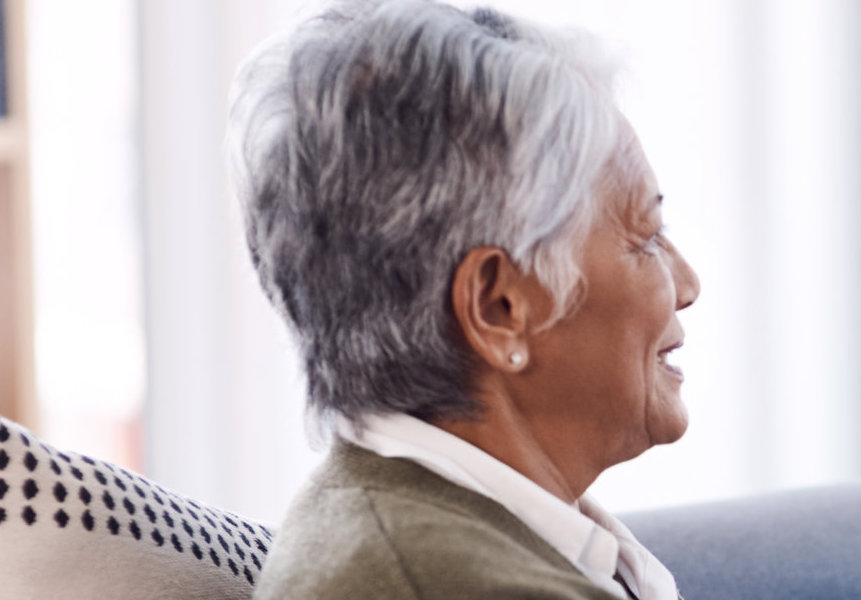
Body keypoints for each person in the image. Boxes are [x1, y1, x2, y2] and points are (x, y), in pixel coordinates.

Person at [232, 2, 698, 598]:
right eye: (646, 237)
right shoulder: (446, 582)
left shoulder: (450, 521)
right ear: (498, 308)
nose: (688, 284)